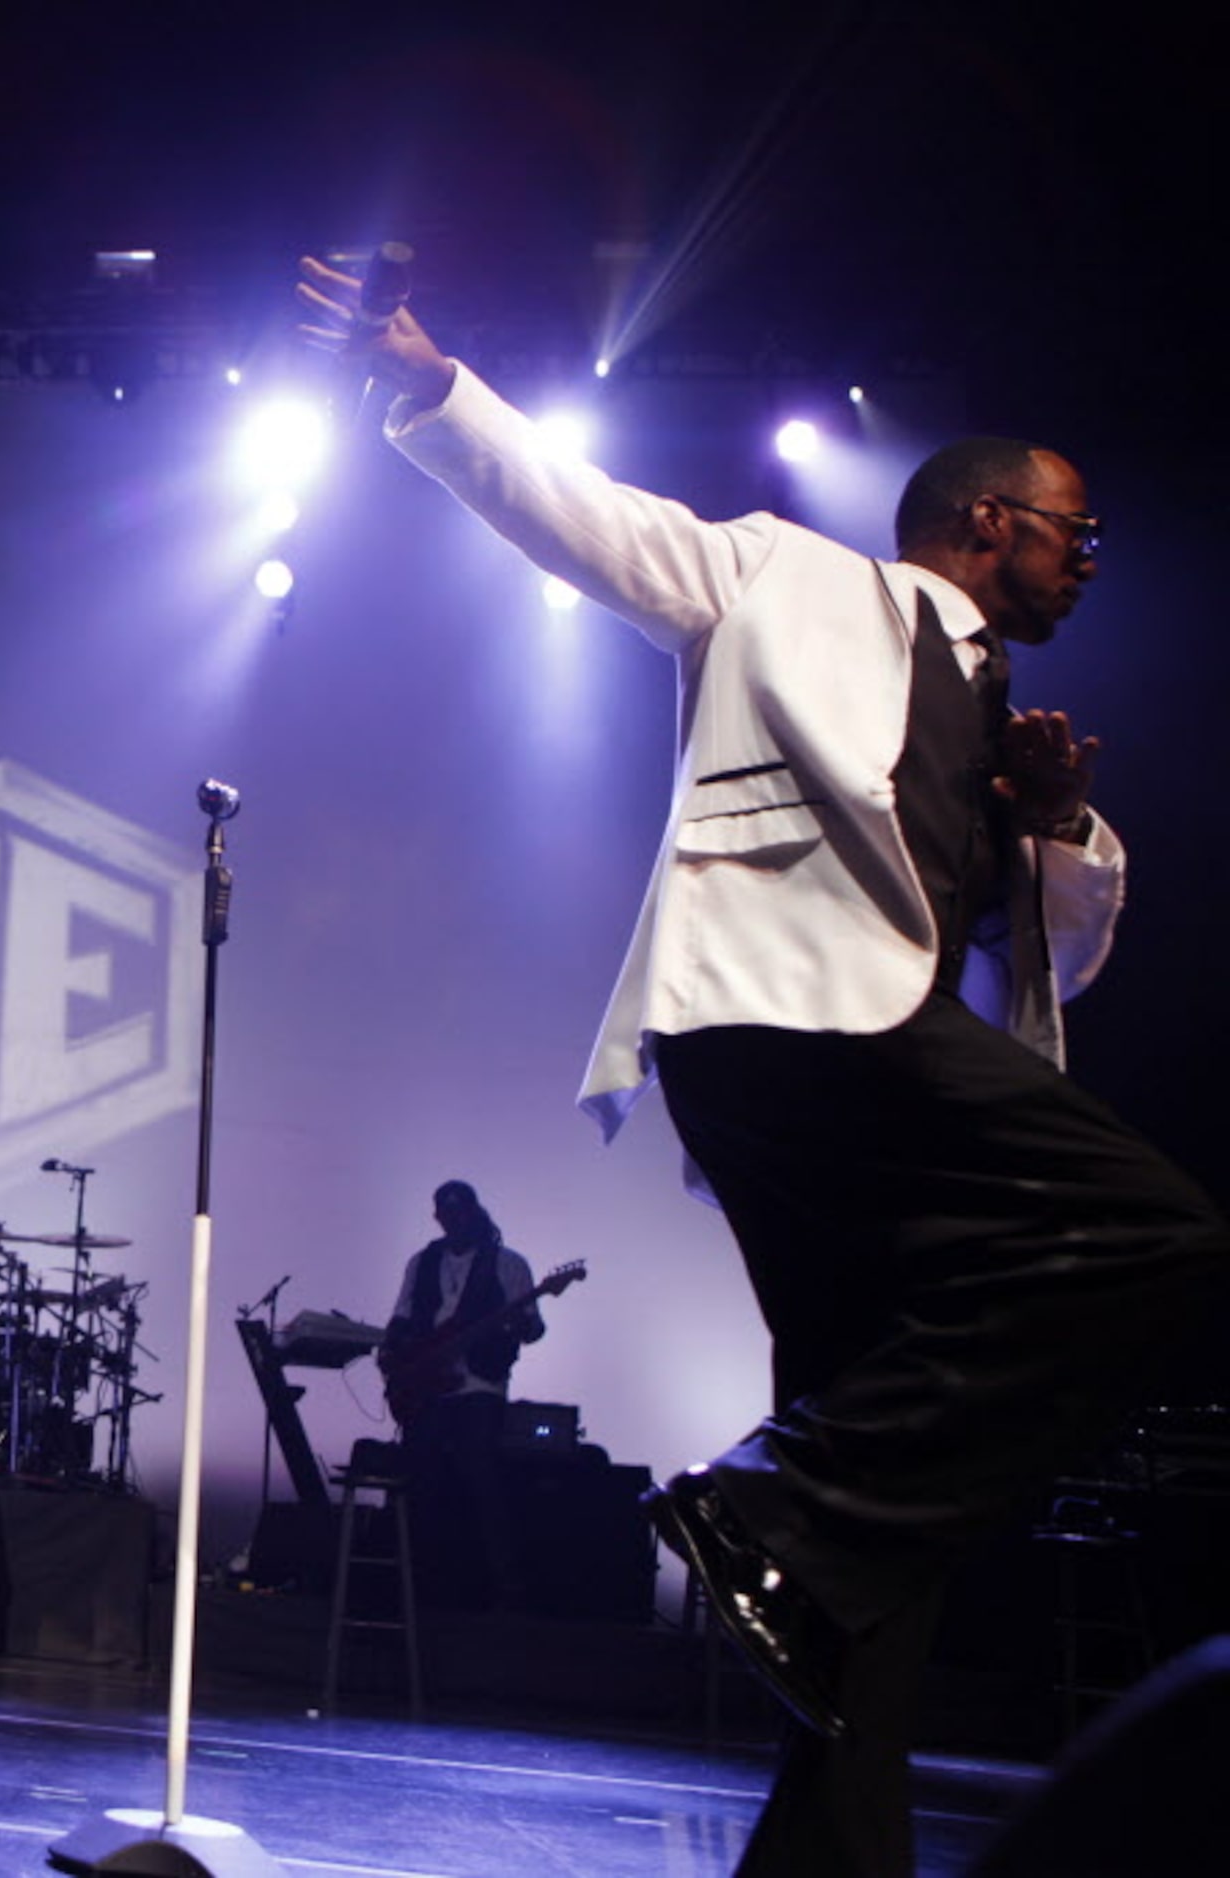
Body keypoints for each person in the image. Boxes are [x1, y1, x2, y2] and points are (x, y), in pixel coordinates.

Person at [300, 254, 1229, 1874]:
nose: (1088, 563)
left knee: (875, 1560)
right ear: (990, 522)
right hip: (791, 1029)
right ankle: (774, 1501)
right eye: (1074, 532)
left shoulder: (1012, 718)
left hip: (868, 1066)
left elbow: (1066, 950)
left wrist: (1051, 816)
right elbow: (582, 513)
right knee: (1158, 1228)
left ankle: (820, 1786)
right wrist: (428, 377)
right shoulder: (786, 574)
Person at [375, 1179, 542, 1610]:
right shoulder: (423, 1262)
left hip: (480, 1384)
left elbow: (533, 1326)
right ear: (438, 1218)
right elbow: (403, 1316)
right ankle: (420, 1585)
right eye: (445, 1214)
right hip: (429, 1383)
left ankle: (505, 1590)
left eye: (460, 1213)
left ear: (475, 1213)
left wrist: (519, 1325)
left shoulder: (508, 1264)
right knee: (422, 1481)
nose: (453, 1221)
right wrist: (394, 1358)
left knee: (481, 1477)